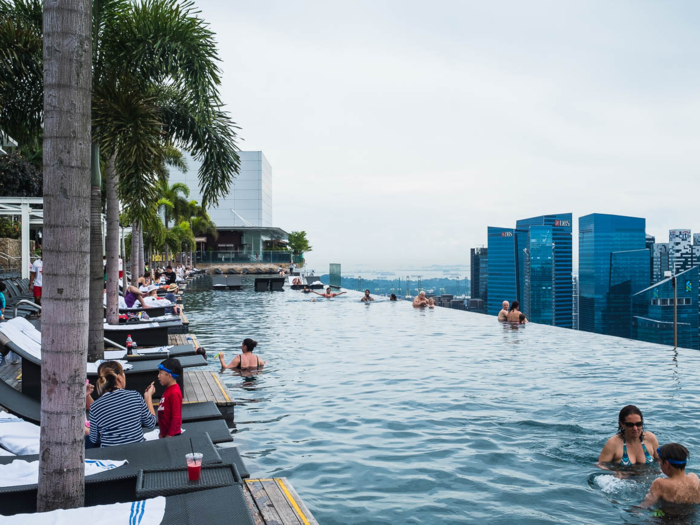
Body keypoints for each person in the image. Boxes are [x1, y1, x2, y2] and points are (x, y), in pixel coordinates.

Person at [88, 361, 157, 447]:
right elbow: (151, 424)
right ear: (120, 378)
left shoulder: (95, 406)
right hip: (137, 451)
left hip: (109, 456)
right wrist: (148, 397)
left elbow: (94, 439)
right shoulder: (135, 396)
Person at [641, 443, 700, 508]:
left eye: (660, 462)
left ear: (666, 464)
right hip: (691, 515)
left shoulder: (660, 483)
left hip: (665, 517)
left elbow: (647, 504)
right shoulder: (694, 478)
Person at [156, 358, 183, 438]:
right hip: (165, 434)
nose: (158, 376)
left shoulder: (174, 392)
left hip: (172, 436)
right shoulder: (169, 389)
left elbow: (176, 416)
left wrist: (169, 436)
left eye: (160, 373)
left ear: (169, 376)